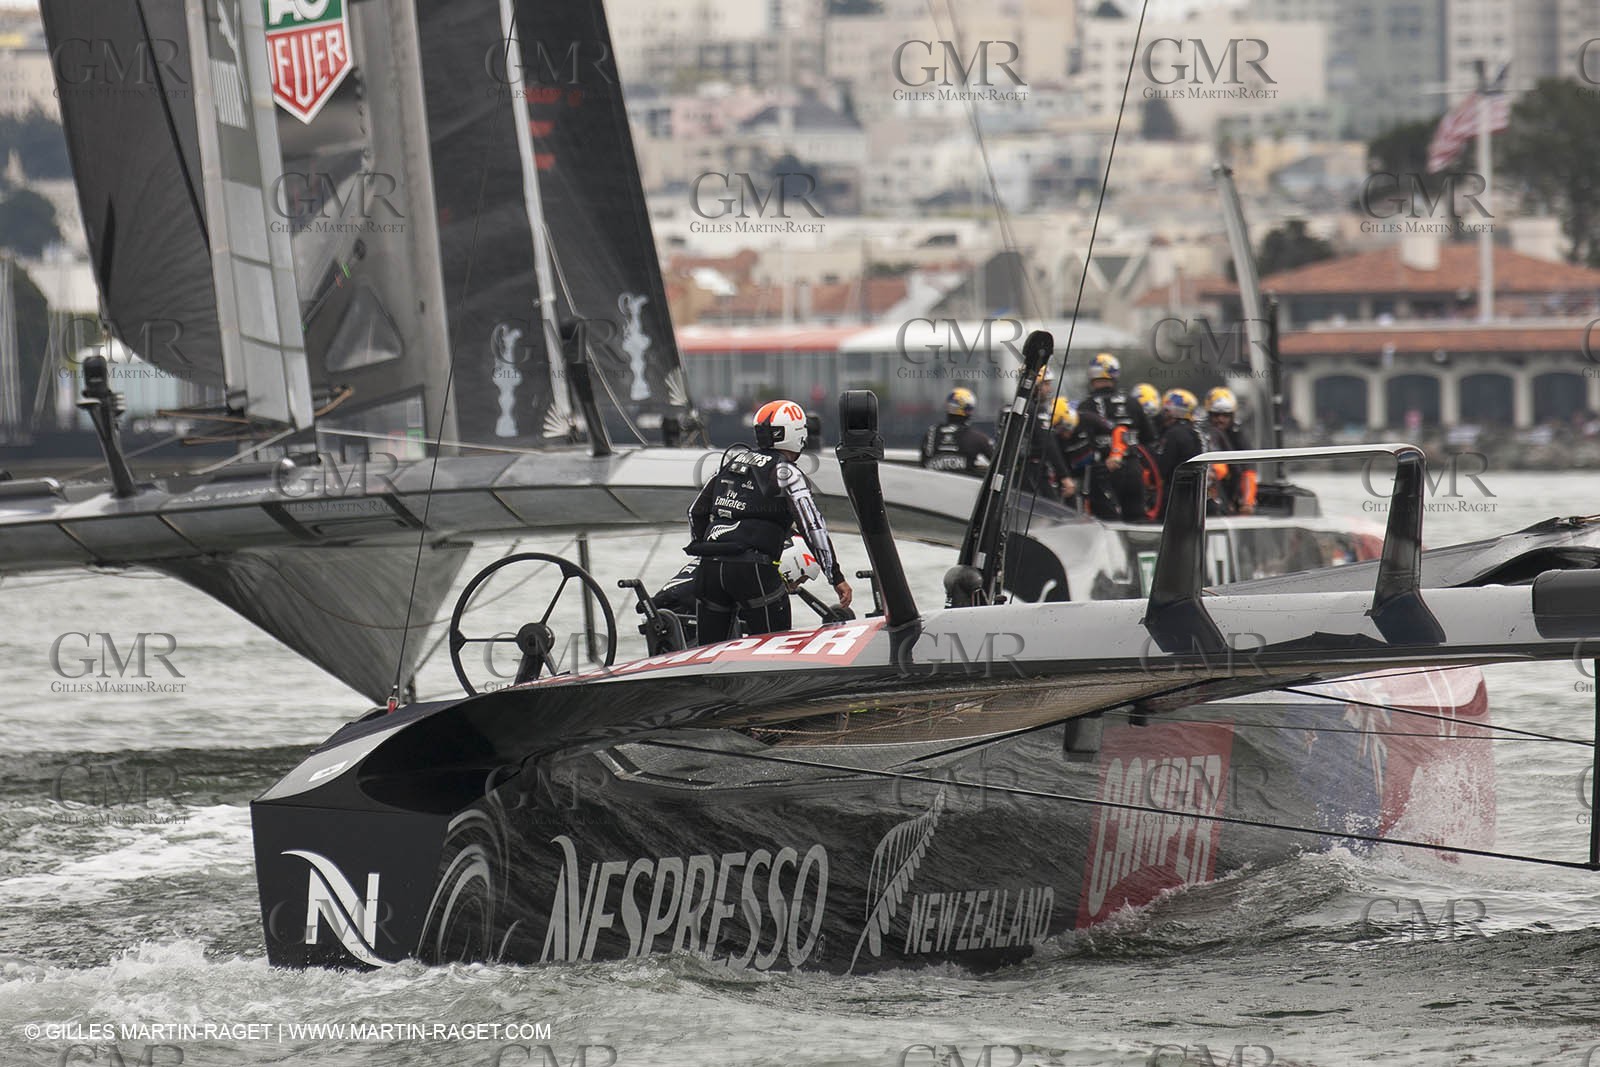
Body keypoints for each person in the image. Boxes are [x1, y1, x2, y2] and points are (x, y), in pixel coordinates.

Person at [687, 400, 852, 643]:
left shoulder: (731, 462)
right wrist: (835, 576)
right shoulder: (788, 472)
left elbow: (695, 512)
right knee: (773, 649)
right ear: (797, 434)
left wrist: (706, 548)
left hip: (710, 569)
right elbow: (813, 527)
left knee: (707, 653)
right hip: (753, 571)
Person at [1079, 353, 1157, 522]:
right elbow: (1150, 439)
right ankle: (1140, 548)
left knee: (1106, 521)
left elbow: (1082, 443)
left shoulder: (1086, 406)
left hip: (1104, 471)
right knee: (1137, 518)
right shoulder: (1132, 403)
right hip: (1134, 468)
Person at [1051, 398, 1113, 514]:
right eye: (1058, 430)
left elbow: (1112, 433)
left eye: (1063, 428)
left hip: (1097, 470)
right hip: (1073, 473)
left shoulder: (1089, 419)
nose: (1064, 435)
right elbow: (1059, 461)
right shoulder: (1057, 438)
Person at [1154, 388, 1207, 520]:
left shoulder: (1173, 433)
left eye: (1166, 410)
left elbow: (1162, 467)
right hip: (1200, 491)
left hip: (1176, 492)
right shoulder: (1199, 432)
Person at [1205, 387, 1257, 515]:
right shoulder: (1203, 432)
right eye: (1216, 415)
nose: (1220, 419)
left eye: (1226, 415)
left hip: (1232, 487)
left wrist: (1247, 502)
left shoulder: (1238, 434)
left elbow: (1248, 470)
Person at [920, 388, 994, 475]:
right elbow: (998, 463)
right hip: (964, 487)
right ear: (969, 410)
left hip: (931, 486)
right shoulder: (977, 438)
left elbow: (923, 465)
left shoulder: (931, 433)